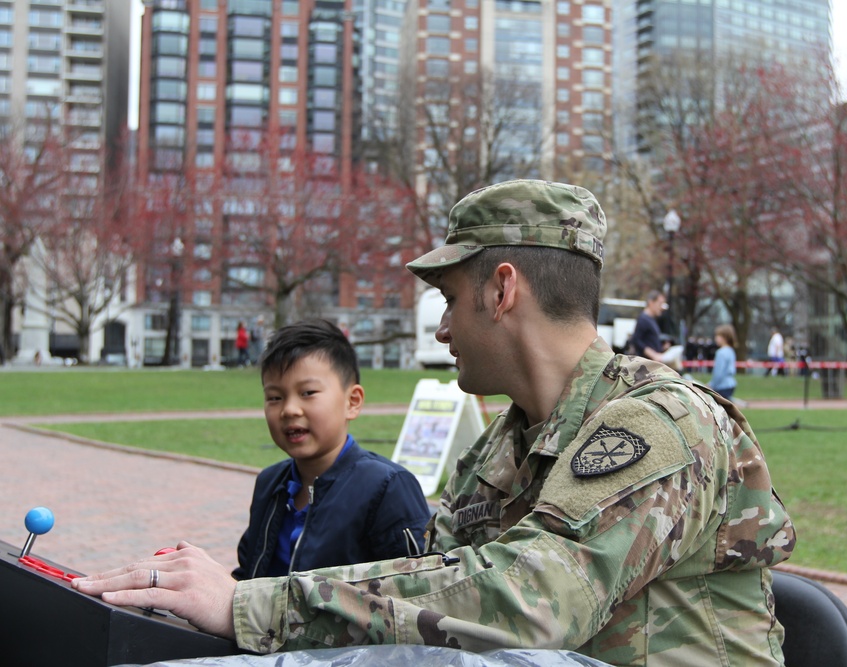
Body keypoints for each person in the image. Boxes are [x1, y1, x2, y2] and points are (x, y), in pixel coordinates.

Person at [74, 180, 795, 665]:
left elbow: (530, 602)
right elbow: (434, 571)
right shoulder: (509, 443)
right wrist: (221, 600)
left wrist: (252, 606)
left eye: (450, 297)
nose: (444, 328)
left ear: (503, 288)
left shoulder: (658, 424)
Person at [233, 318, 431, 580]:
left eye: (308, 392)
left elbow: (415, 591)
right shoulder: (270, 484)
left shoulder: (387, 488)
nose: (289, 409)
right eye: (274, 397)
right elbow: (249, 574)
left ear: (352, 402)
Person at [630, 290, 668, 361]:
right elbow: (636, 340)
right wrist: (653, 355)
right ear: (651, 302)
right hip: (645, 365)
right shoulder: (643, 319)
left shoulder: (652, 320)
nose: (662, 307)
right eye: (660, 303)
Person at [709, 323, 738, 400]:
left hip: (722, 386)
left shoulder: (721, 352)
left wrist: (711, 385)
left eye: (717, 336)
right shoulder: (731, 350)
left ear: (725, 337)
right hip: (731, 384)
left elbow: (719, 372)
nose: (715, 339)